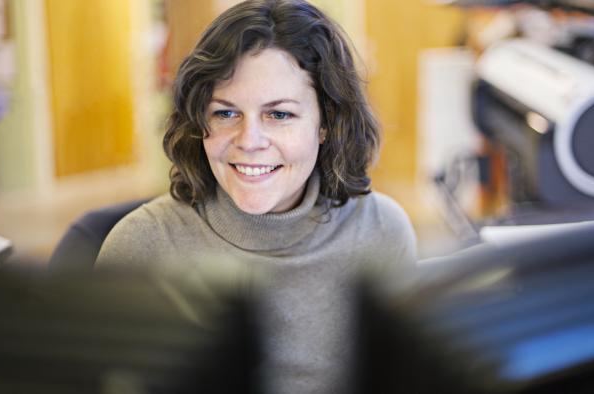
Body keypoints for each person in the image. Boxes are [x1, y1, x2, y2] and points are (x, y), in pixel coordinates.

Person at [96, 0, 417, 392]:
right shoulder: (141, 246)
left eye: (278, 115)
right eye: (226, 113)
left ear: (326, 124)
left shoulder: (382, 230)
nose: (249, 142)